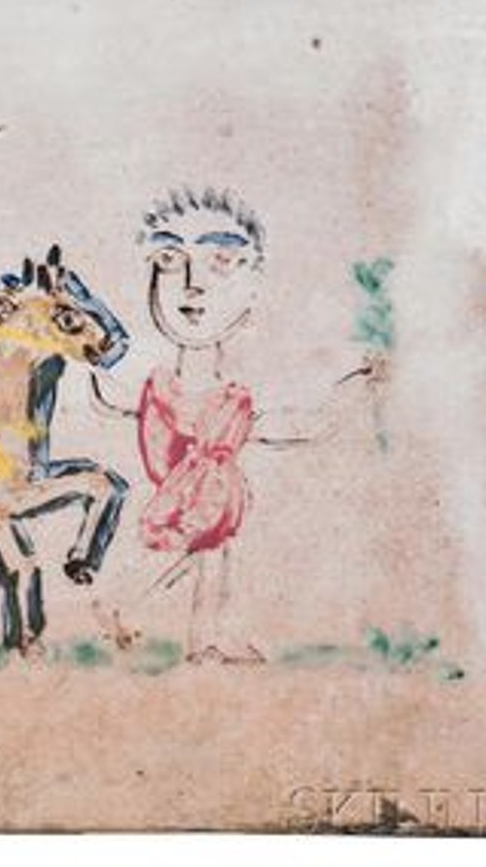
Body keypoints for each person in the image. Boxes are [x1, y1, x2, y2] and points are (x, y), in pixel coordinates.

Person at [91, 186, 383, 665]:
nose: (193, 284)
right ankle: (124, 605)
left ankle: (206, 638)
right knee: (189, 550)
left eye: (222, 260)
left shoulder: (231, 399)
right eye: (168, 259)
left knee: (214, 557)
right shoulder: (163, 387)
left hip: (216, 501)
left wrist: (354, 386)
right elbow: (113, 399)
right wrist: (86, 363)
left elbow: (302, 425)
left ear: (254, 286)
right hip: (186, 500)